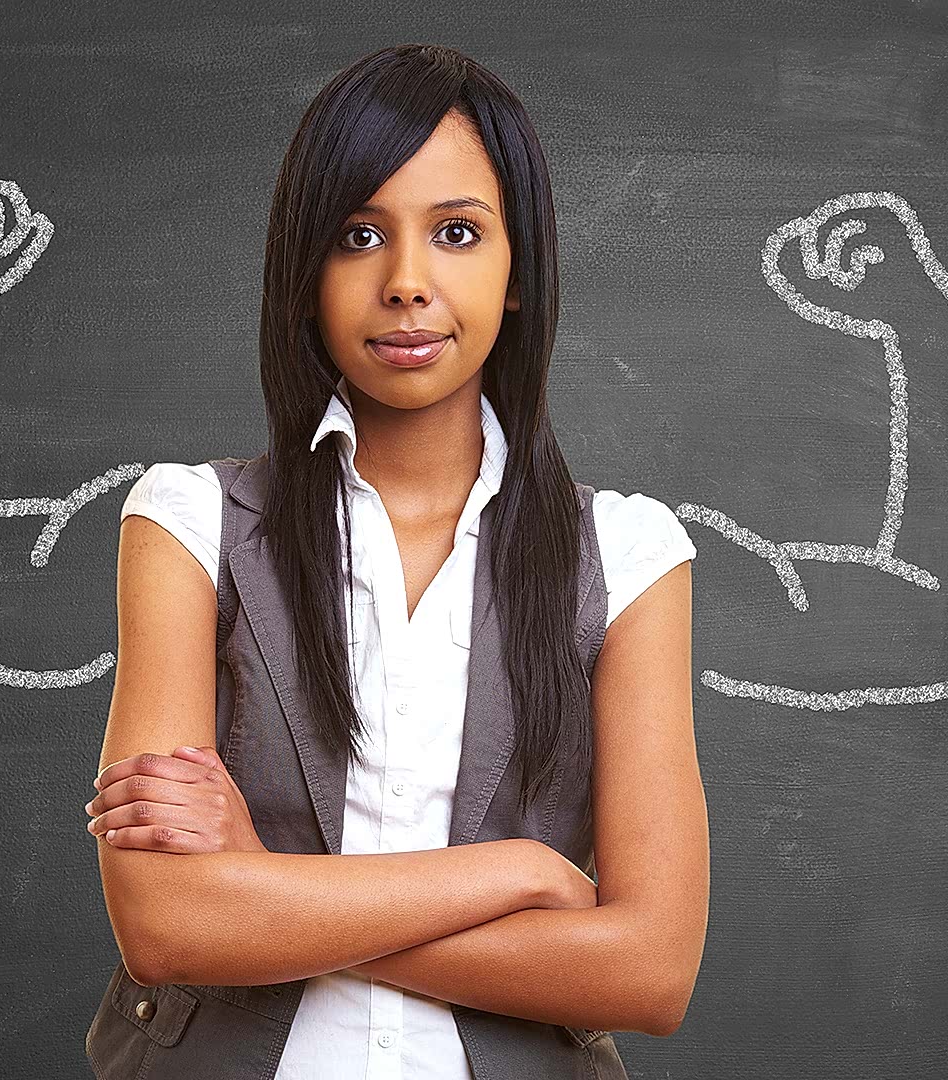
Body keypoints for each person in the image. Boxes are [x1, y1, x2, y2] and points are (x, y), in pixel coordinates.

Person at [84, 42, 709, 1080]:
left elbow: (649, 971)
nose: (407, 283)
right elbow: (165, 926)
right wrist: (519, 873)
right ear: (307, 272)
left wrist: (264, 894)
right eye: (358, 236)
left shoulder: (630, 557)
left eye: (457, 233)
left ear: (518, 273)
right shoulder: (187, 524)